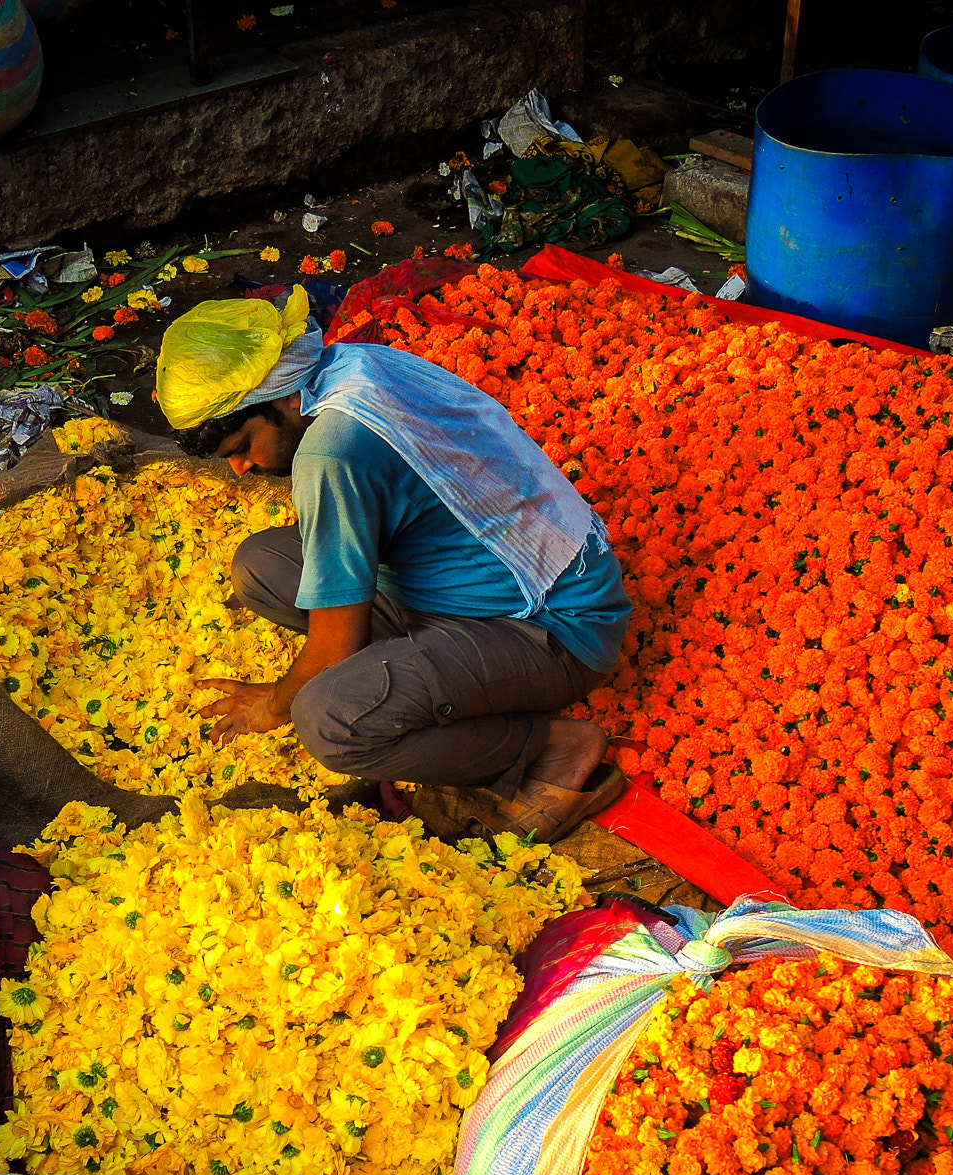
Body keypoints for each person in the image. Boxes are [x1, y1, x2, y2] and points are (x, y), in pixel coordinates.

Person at [155, 285, 632, 842]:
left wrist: (276, 703)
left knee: (329, 723)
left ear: (283, 396)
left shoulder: (333, 451)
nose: (241, 468)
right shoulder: (353, 366)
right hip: (479, 584)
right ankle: (421, 676)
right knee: (262, 564)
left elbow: (332, 650)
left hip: (551, 628)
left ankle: (552, 749)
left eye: (244, 444)